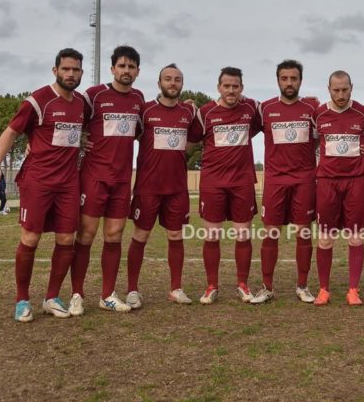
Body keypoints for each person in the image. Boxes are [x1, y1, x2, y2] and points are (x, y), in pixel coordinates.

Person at [0, 48, 86, 322]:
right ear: (55, 71)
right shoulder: (38, 100)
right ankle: (22, 300)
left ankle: (51, 297)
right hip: (37, 182)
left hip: (68, 183)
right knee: (30, 238)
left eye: (76, 70)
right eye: (66, 69)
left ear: (81, 73)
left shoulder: (81, 103)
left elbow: (87, 129)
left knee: (66, 239)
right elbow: (10, 132)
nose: (71, 74)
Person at [69, 45, 144, 315]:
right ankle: (77, 294)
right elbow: (72, 119)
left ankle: (107, 295)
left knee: (113, 236)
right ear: (112, 68)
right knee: (86, 235)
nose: (126, 70)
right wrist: (78, 138)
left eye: (131, 66)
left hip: (122, 179)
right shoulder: (94, 95)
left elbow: (142, 131)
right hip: (94, 177)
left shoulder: (138, 98)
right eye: (122, 65)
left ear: (137, 71)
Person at [125, 64, 200, 308]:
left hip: (177, 188)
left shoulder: (188, 112)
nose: (172, 83)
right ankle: (132, 290)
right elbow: (125, 137)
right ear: (159, 84)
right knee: (140, 236)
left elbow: (194, 140)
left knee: (176, 235)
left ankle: (176, 288)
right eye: (167, 79)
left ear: (182, 84)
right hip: (148, 187)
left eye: (177, 79)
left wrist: (177, 156)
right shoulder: (145, 111)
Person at [251, 60, 317, 304]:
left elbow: (322, 137)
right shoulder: (265, 109)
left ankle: (302, 286)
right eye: (285, 78)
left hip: (304, 179)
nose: (289, 83)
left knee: (303, 232)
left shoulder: (312, 109)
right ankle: (267, 287)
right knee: (271, 233)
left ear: (301, 80)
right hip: (275, 180)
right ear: (278, 80)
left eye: (294, 78)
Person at [195, 67, 261, 304]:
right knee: (212, 236)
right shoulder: (205, 112)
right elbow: (190, 139)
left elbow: (273, 118)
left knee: (243, 235)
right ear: (218, 87)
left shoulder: (252, 108)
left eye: (236, 86)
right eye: (227, 86)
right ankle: (211, 285)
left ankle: (242, 285)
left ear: (241, 88)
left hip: (242, 182)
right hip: (212, 183)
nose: (231, 90)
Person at [312, 70, 364, 306]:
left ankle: (353, 290)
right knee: (325, 240)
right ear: (328, 89)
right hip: (327, 182)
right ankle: (324, 289)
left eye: (345, 89)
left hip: (356, 181)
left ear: (351, 87)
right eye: (336, 90)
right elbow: (313, 140)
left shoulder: (363, 113)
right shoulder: (318, 113)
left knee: (355, 239)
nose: (341, 94)